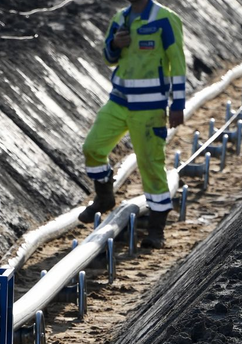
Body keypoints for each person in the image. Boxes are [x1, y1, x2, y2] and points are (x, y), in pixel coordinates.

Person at [78, 0, 186, 248]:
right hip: (118, 102)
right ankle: (104, 197)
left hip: (149, 108)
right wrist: (115, 44)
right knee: (92, 148)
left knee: (150, 164)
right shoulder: (120, 18)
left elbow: (178, 62)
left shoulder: (165, 18)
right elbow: (108, 58)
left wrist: (178, 103)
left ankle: (156, 230)